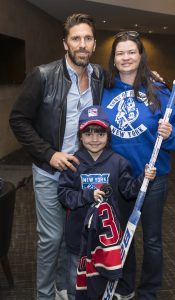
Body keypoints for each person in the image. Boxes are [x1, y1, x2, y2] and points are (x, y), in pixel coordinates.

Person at [9, 13, 105, 300]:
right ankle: (44, 295)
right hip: (50, 171)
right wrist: (49, 154)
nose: (82, 44)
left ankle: (64, 288)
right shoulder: (42, 75)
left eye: (87, 38)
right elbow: (19, 120)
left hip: (83, 175)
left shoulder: (99, 76)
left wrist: (152, 79)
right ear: (65, 44)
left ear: (94, 43)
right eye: (76, 38)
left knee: (74, 235)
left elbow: (129, 78)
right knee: (51, 237)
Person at [101, 31, 175, 300]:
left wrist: (170, 133)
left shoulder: (159, 91)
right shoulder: (103, 90)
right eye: (120, 53)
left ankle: (148, 292)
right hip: (120, 177)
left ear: (140, 56)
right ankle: (125, 288)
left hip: (153, 176)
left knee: (152, 240)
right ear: (113, 59)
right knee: (123, 237)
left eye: (131, 52)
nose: (126, 57)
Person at [58, 105, 156, 300]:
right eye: (88, 133)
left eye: (100, 133)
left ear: (108, 135)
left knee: (101, 281)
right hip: (78, 237)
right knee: (75, 283)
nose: (94, 139)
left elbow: (128, 191)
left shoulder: (119, 162)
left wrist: (143, 178)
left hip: (106, 240)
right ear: (80, 136)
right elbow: (64, 195)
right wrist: (87, 195)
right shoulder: (72, 163)